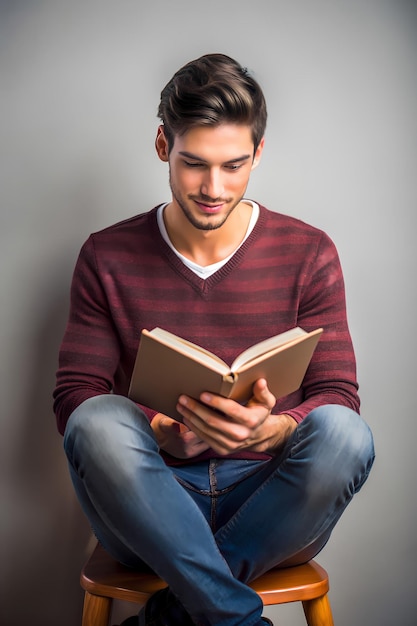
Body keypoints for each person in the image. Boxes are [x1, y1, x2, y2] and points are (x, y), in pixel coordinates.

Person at [53, 53, 374, 626]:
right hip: (149, 505)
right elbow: (75, 396)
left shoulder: (309, 252)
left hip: (272, 507)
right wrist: (162, 435)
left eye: (233, 165)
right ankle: (234, 618)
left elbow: (339, 394)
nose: (212, 188)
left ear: (258, 154)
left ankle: (177, 612)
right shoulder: (106, 255)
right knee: (96, 420)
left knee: (346, 434)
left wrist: (274, 428)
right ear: (161, 147)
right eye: (193, 163)